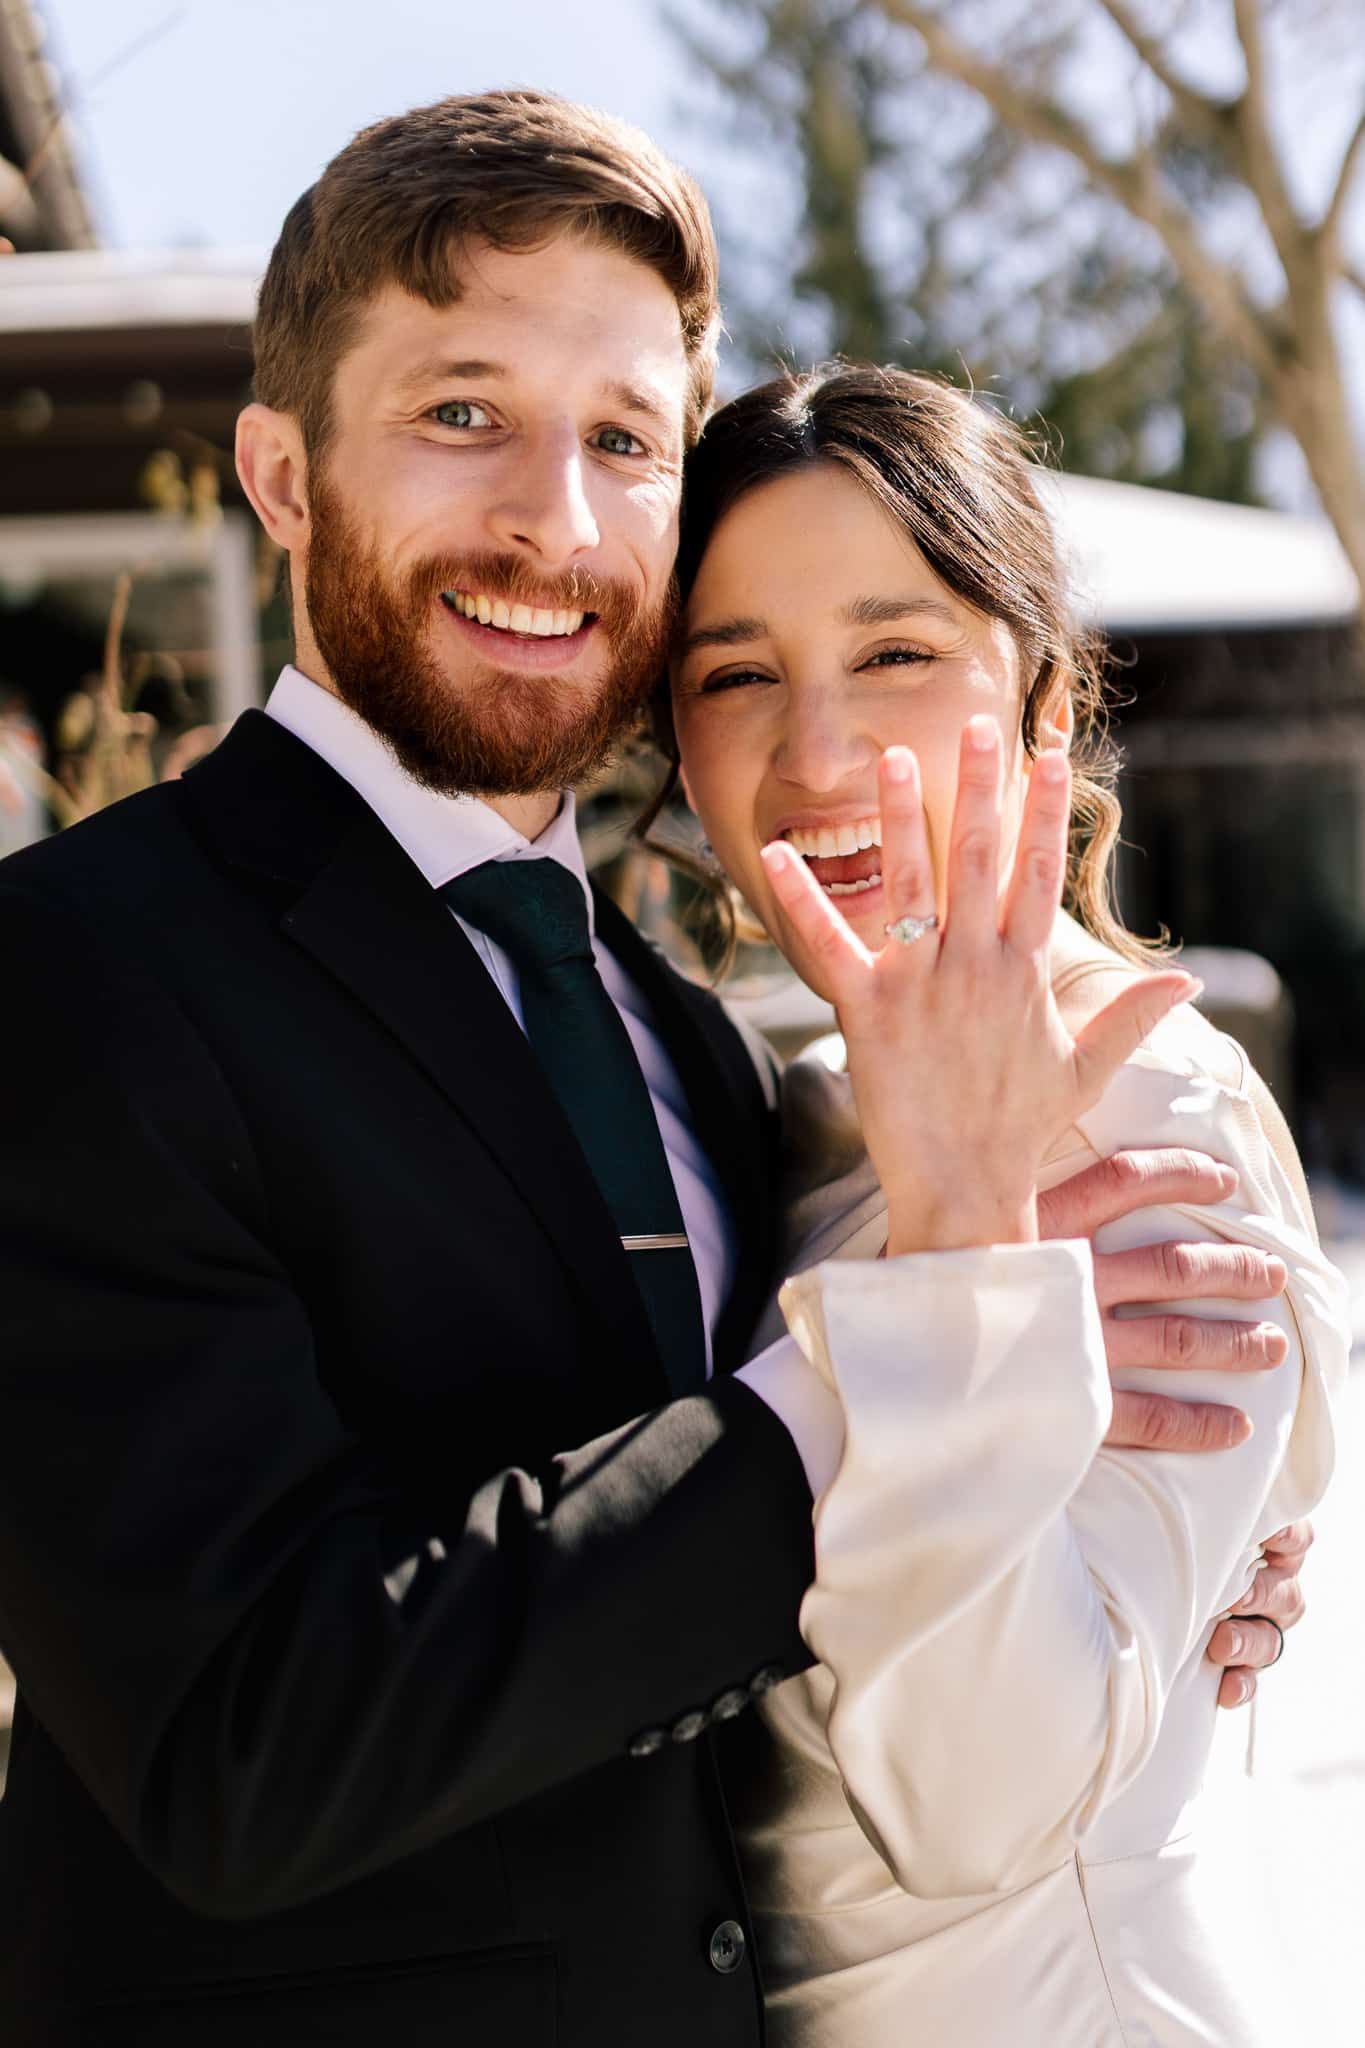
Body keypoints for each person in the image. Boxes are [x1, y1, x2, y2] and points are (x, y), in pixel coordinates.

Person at [0, 94, 1307, 2047]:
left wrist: (1148, 1523)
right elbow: (244, 1744)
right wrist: (911, 1357)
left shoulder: (698, 1054)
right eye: (461, 414)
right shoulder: (73, 966)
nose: (551, 518)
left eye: (621, 439)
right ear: (278, 471)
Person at [663, 362, 1349, 2045]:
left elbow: (978, 1798)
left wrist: (966, 1258)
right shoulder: (791, 1099)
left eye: (895, 655)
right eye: (735, 672)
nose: (814, 755)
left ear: (1045, 706)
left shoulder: (1135, 1106)